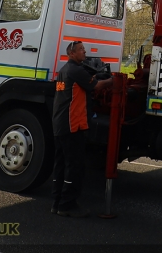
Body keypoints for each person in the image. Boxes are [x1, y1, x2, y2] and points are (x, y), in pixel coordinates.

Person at [51, 40, 113, 217]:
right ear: (72, 53)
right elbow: (97, 86)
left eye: (84, 50)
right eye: (81, 50)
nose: (84, 52)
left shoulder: (64, 71)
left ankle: (56, 203)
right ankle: (67, 205)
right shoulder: (77, 71)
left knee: (60, 165)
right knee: (75, 166)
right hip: (72, 125)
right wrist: (113, 81)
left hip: (60, 124)